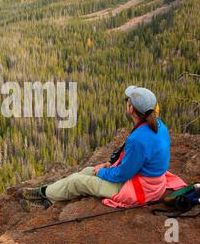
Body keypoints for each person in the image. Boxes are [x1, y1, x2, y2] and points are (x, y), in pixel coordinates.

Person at [19, 85, 172, 209]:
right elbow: (135, 161)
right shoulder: (158, 125)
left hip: (140, 188)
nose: (126, 102)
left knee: (78, 182)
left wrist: (102, 171)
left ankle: (44, 193)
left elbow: (123, 175)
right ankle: (50, 199)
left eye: (128, 101)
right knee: (86, 171)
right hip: (144, 179)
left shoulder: (138, 139)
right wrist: (109, 165)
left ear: (131, 109)